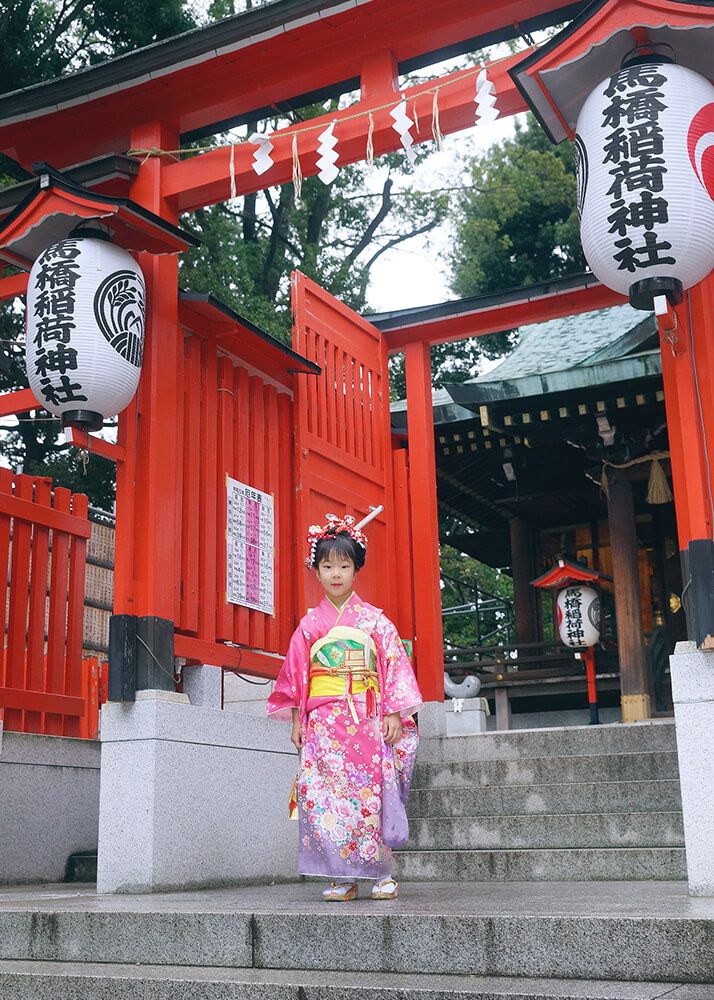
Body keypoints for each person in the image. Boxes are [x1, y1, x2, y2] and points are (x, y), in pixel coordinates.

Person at [267, 513, 423, 901]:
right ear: (316, 571)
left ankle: (379, 872)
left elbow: (393, 667)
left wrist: (392, 712)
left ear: (356, 570)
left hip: (366, 721)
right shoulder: (309, 626)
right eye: (327, 566)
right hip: (323, 725)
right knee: (326, 798)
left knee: (371, 794)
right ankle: (340, 875)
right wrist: (296, 719)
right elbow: (297, 675)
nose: (336, 573)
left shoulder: (376, 622)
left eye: (344, 566)